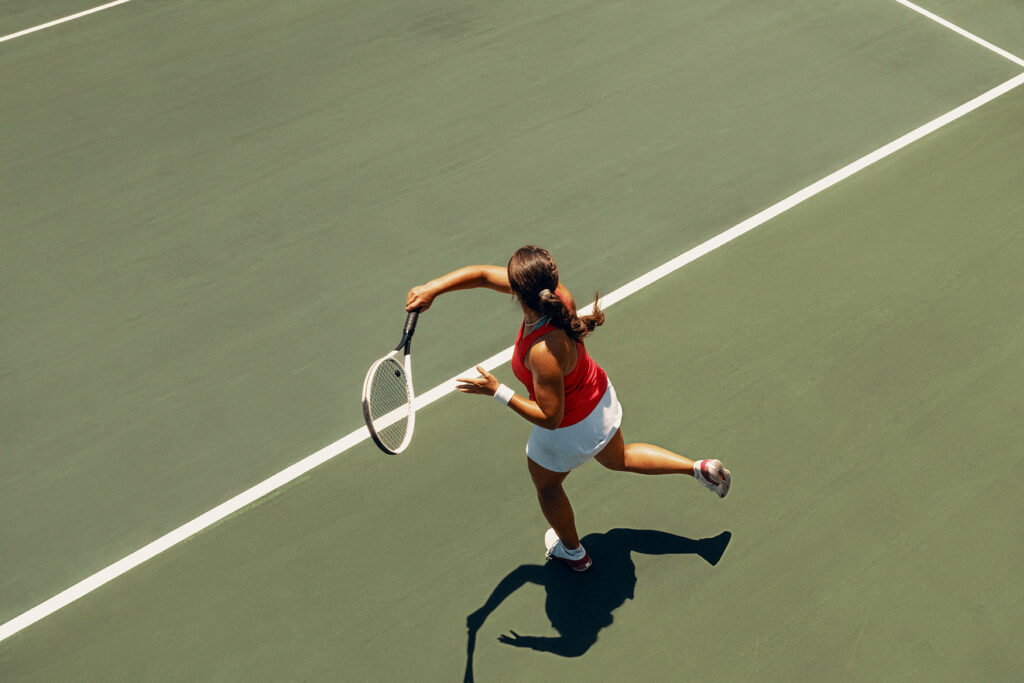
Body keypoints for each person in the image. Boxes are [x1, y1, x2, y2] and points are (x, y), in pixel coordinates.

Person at [406, 245, 731, 572]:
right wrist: (434, 288)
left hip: (569, 428)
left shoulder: (542, 353)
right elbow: (480, 276)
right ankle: (697, 468)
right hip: (599, 397)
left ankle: (574, 553)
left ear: (517, 291)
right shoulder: (559, 297)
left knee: (548, 487)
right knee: (621, 458)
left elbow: (550, 418)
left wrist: (497, 391)